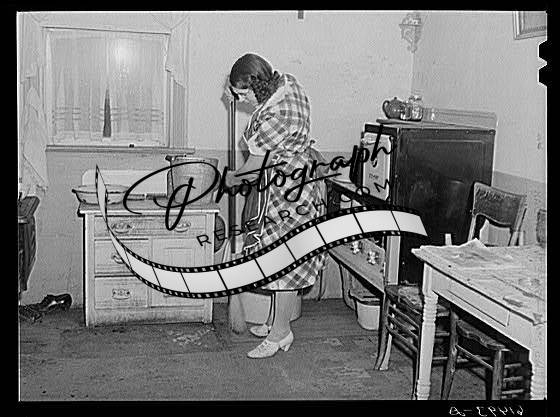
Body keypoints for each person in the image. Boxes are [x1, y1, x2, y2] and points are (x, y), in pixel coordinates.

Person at [224, 53, 327, 359]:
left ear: (255, 86)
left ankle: (281, 333)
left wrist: (233, 177)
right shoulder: (288, 85)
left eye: (243, 94)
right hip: (299, 184)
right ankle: (274, 322)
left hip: (290, 196)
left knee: (285, 265)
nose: (242, 101)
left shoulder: (272, 118)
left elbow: (254, 168)